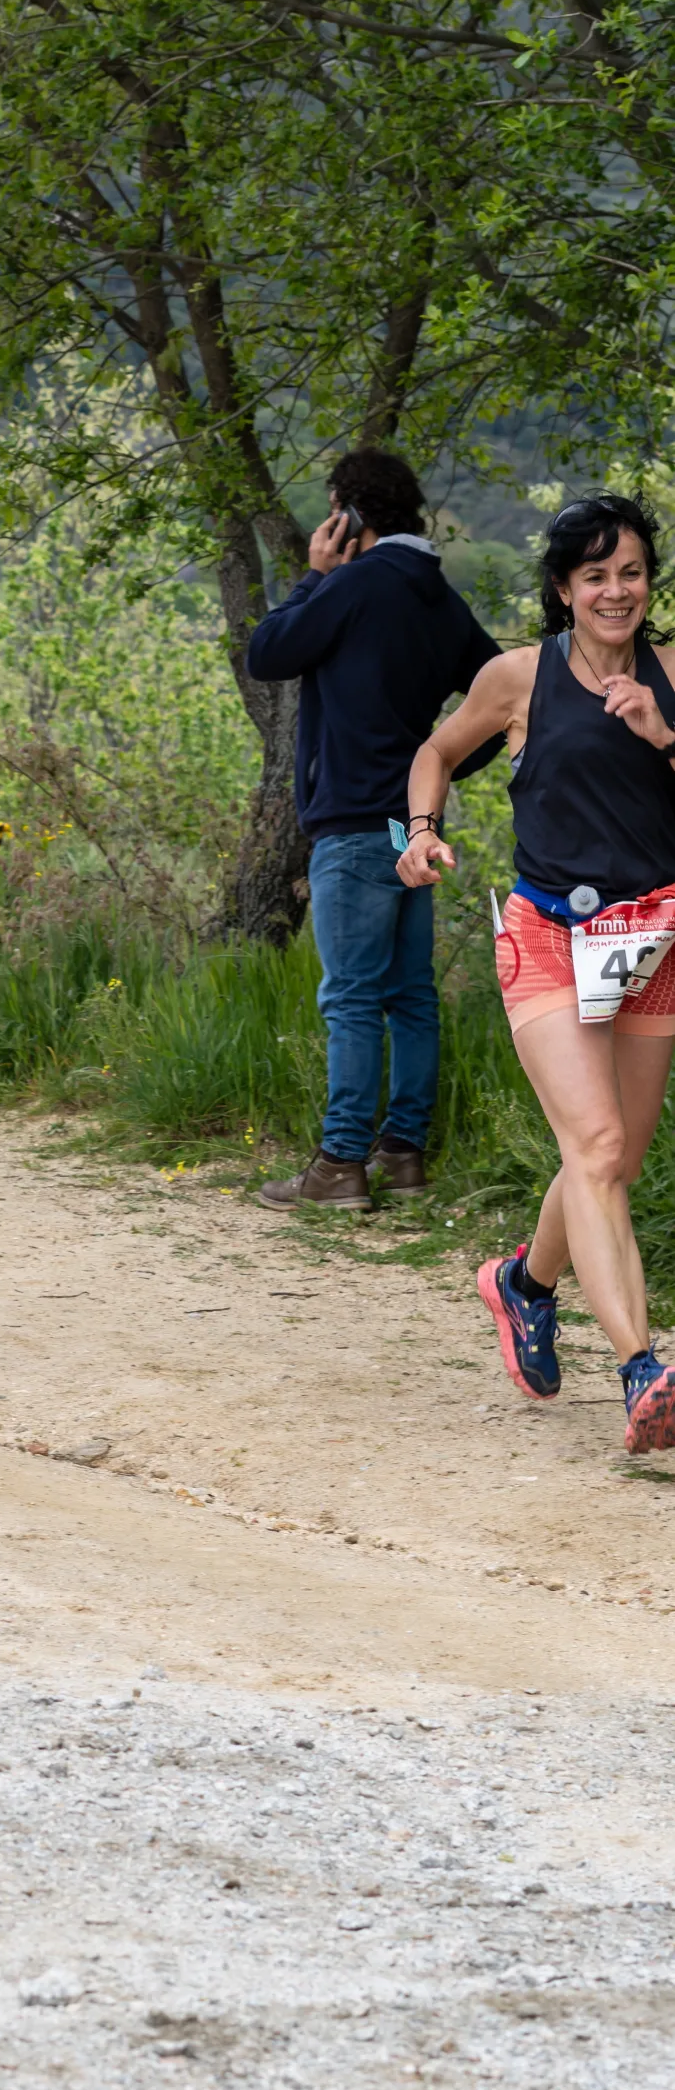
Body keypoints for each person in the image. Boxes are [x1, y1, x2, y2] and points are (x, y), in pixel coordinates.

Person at [398, 493, 675, 1451]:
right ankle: (643, 1366)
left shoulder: (673, 674)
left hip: (651, 943)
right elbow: (434, 751)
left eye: (630, 571)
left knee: (611, 1160)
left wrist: (662, 736)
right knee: (594, 1146)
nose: (615, 590)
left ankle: (523, 1284)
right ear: (562, 588)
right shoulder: (518, 677)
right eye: (594, 574)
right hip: (548, 935)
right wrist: (422, 833)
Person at [248, 447, 501, 1208]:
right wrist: (440, 765)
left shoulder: (352, 585)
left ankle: (338, 1165)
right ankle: (402, 1155)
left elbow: (268, 652)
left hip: (355, 826)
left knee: (352, 997)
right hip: (407, 829)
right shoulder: (441, 602)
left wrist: (314, 573)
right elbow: (500, 704)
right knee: (408, 994)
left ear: (348, 515)